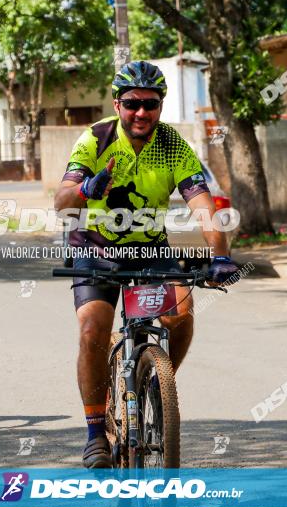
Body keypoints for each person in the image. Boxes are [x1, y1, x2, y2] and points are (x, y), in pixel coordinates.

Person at [54, 61, 240, 468]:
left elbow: (203, 205)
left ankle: (155, 382)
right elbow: (61, 202)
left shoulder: (172, 144)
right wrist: (86, 188)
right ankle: (94, 431)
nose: (142, 113)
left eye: (150, 104)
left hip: (150, 249)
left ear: (160, 105)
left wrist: (220, 254)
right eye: (133, 103)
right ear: (118, 103)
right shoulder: (95, 139)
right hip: (95, 247)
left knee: (181, 317)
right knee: (93, 329)